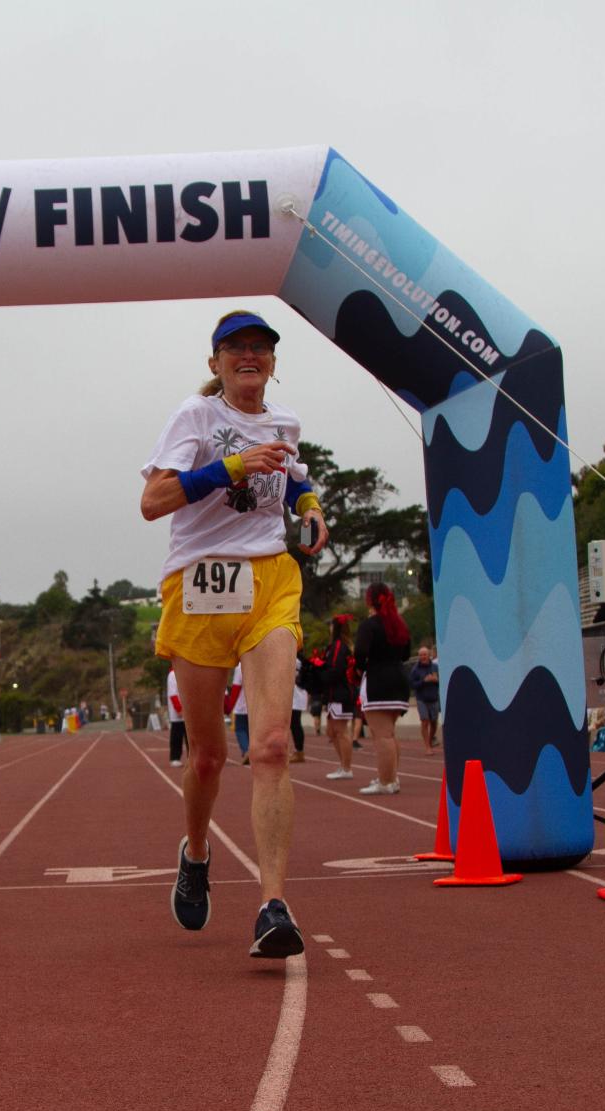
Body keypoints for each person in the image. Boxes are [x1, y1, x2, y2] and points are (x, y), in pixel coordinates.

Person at [140, 308, 328, 959]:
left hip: (271, 580)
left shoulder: (285, 422)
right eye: (236, 348)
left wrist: (309, 509)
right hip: (199, 587)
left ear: (272, 362)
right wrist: (228, 468)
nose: (249, 356)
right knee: (209, 756)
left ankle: (273, 903)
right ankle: (196, 851)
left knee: (272, 744)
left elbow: (296, 476)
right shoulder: (194, 418)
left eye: (260, 348)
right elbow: (152, 502)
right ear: (216, 361)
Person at [355, 582, 412, 795]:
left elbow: (360, 652)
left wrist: (360, 669)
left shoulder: (370, 625)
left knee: (382, 735)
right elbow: (407, 653)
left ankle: (386, 781)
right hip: (399, 679)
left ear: (370, 600)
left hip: (378, 680)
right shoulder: (399, 623)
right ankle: (391, 778)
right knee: (389, 733)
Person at [322, 615, 357, 780]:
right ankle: (343, 765)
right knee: (331, 731)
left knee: (341, 731)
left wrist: (319, 675)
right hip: (333, 693)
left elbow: (335, 669)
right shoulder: (335, 646)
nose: (329, 628)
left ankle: (347, 767)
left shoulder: (338, 646)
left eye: (331, 625)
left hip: (340, 693)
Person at [409, 645, 441, 750]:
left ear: (429, 655)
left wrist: (436, 680)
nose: (423, 657)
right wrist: (423, 681)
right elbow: (412, 685)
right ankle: (427, 746)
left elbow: (441, 681)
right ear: (419, 656)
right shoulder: (415, 669)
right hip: (421, 699)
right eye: (421, 655)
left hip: (434, 697)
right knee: (424, 721)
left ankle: (431, 740)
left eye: (425, 654)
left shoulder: (435, 667)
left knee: (434, 722)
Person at [229, 664, 250, 764]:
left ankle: (246, 750)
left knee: (240, 729)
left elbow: (236, 688)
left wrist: (229, 707)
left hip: (242, 705)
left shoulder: (241, 667)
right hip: (257, 705)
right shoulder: (261, 663)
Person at [166, 667, 186, 768]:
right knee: (177, 736)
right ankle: (175, 758)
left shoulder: (188, 672)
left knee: (191, 737)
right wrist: (179, 709)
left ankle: (192, 757)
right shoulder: (173, 675)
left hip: (189, 711)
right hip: (178, 714)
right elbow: (173, 694)